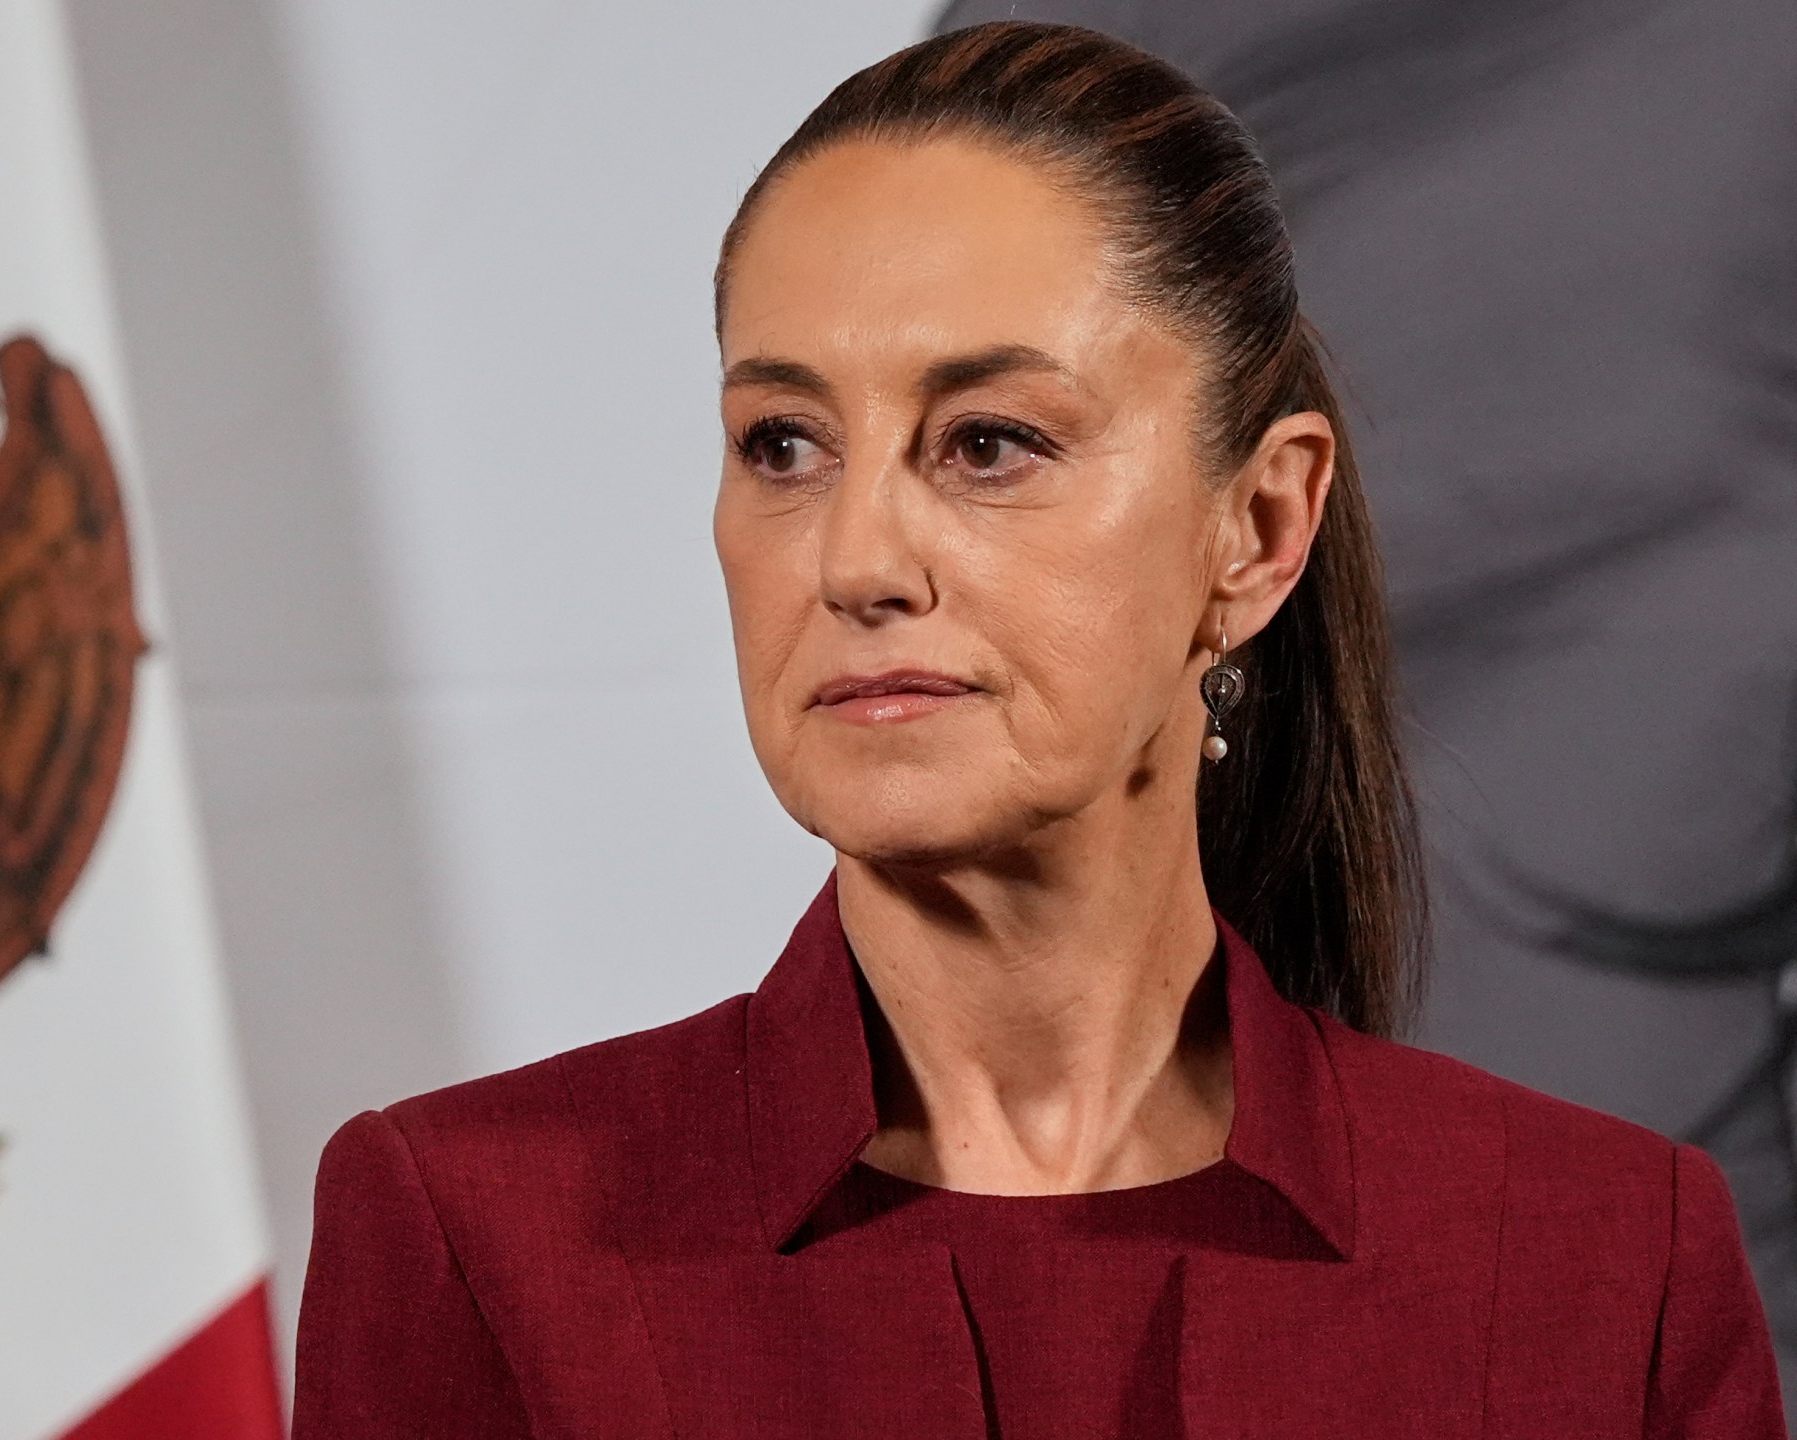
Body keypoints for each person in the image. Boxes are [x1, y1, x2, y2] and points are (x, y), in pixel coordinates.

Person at [291, 22, 1785, 1437]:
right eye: (785, 445)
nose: (858, 560)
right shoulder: (471, 1237)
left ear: (1260, 528)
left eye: (989, 442)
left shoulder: (1606, 1260)